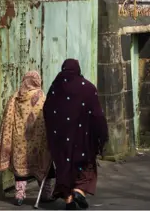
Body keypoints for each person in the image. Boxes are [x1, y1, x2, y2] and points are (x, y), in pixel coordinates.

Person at [43, 59, 109, 210]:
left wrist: (53, 130)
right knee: (85, 165)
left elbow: (47, 109)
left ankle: (68, 200)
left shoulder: (55, 86)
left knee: (64, 167)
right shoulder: (87, 88)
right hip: (82, 137)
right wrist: (101, 134)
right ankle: (79, 191)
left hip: (60, 138)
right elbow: (97, 115)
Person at [0, 71, 55, 206]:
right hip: (39, 141)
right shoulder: (42, 97)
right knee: (44, 165)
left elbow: (8, 119)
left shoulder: (15, 98)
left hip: (21, 141)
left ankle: (20, 195)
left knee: (20, 169)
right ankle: (45, 194)